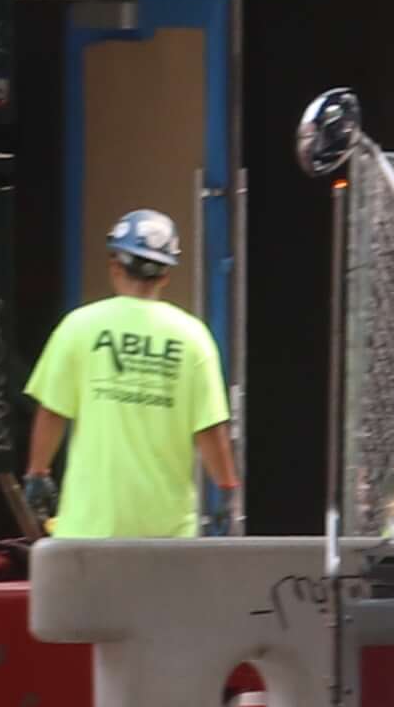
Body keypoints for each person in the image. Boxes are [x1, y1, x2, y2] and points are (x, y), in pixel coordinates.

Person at [23, 207, 239, 539]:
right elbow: (210, 429)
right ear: (166, 274)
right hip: (166, 534)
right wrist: (227, 488)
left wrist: (38, 472)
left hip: (88, 529)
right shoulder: (193, 338)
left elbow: (53, 411)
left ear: (115, 266)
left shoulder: (79, 327)